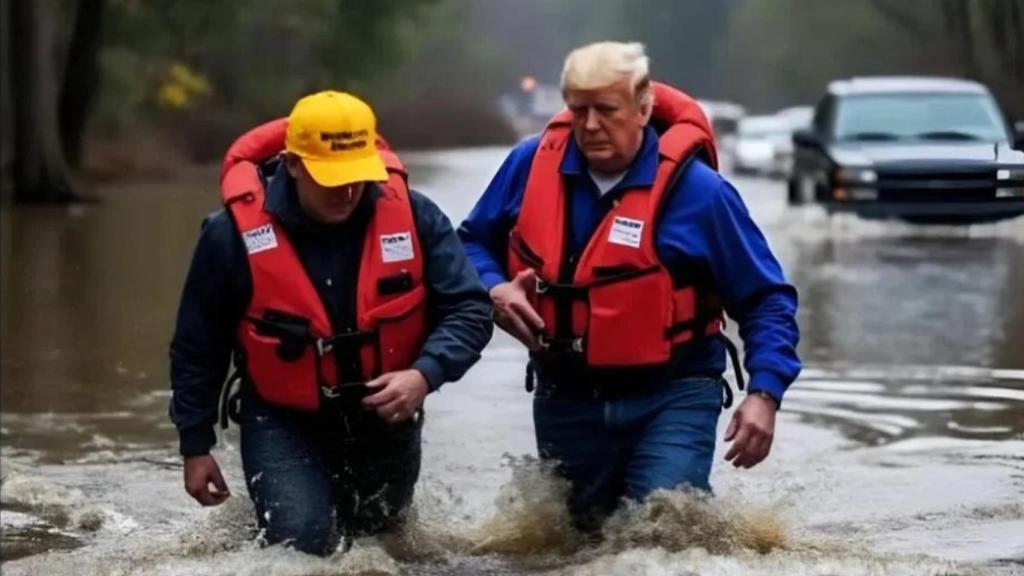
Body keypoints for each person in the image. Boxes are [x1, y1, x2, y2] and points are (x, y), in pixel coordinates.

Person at [458, 42, 800, 529]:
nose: (591, 125)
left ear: (643, 109)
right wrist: (494, 288)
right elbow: (470, 244)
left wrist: (764, 394)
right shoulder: (530, 165)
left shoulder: (702, 194)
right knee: (580, 545)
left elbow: (766, 299)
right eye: (579, 110)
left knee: (663, 531)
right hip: (566, 396)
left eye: (607, 110)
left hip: (674, 392)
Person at [169, 90, 493, 555]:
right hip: (283, 420)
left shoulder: (414, 215)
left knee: (382, 551)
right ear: (293, 165)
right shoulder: (229, 236)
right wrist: (195, 447)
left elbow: (469, 308)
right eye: (331, 178)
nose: (346, 192)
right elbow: (197, 346)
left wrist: (424, 375)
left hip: (385, 419)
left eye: (357, 177)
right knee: (301, 546)